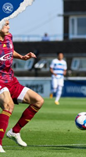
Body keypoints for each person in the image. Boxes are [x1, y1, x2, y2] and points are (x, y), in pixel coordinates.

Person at [0, 21, 44, 153]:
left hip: (11, 80)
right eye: (6, 24)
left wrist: (22, 57)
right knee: (9, 106)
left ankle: (15, 131)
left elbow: (10, 51)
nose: (9, 26)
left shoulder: (9, 37)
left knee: (38, 101)